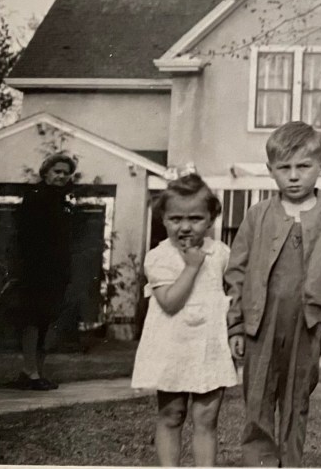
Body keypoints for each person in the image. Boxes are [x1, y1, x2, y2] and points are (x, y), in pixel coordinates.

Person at [224, 121, 321, 467]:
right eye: (284, 168)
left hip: (307, 326)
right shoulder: (257, 215)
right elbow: (236, 273)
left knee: (297, 403)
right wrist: (235, 326)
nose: (294, 176)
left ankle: (291, 462)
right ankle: (260, 463)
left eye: (303, 166)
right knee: (258, 401)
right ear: (270, 170)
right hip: (261, 324)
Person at [131, 170, 238, 466]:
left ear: (211, 219)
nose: (186, 227)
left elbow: (237, 288)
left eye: (196, 218)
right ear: (163, 219)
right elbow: (169, 302)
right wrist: (191, 267)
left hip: (209, 347)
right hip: (172, 347)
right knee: (172, 414)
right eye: (176, 219)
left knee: (206, 417)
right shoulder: (159, 257)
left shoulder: (220, 253)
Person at [6, 153, 78, 391]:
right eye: (57, 171)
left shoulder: (64, 202)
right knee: (32, 319)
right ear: (46, 172)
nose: (61, 176)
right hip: (35, 271)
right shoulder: (35, 198)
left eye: (65, 172)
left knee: (47, 321)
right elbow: (25, 237)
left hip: (57, 272)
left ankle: (36, 371)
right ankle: (30, 372)